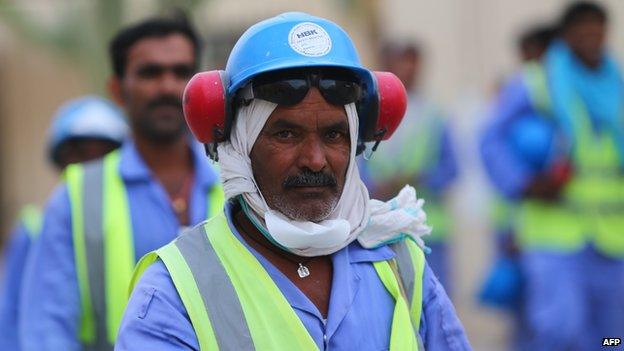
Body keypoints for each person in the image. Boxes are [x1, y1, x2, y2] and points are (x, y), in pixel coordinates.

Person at [116, 12, 471, 350]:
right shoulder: (174, 291)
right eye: (286, 134)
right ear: (240, 145)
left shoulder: (401, 263)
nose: (315, 160)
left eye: (334, 135)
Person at [19, 17, 223, 350]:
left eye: (181, 71)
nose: (168, 86)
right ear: (117, 89)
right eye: (150, 73)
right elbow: (47, 331)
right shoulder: (78, 197)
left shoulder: (237, 182)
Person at [480, 2, 624, 350]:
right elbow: (491, 139)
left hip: (611, 236)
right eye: (582, 29)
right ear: (566, 36)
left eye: (598, 29)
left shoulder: (616, 84)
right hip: (554, 233)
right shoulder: (537, 82)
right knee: (559, 331)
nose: (591, 36)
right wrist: (524, 183)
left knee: (611, 338)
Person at [0, 96, 128, 350]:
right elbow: (12, 319)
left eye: (105, 154)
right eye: (79, 155)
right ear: (60, 162)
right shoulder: (33, 228)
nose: (91, 167)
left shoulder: (132, 217)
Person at [360, 41, 459, 293]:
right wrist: (374, 187)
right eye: (401, 61)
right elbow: (357, 167)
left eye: (412, 61)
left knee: (432, 303)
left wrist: (420, 179)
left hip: (427, 227)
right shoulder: (368, 113)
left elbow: (452, 169)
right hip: (380, 227)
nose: (408, 68)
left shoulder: (435, 114)